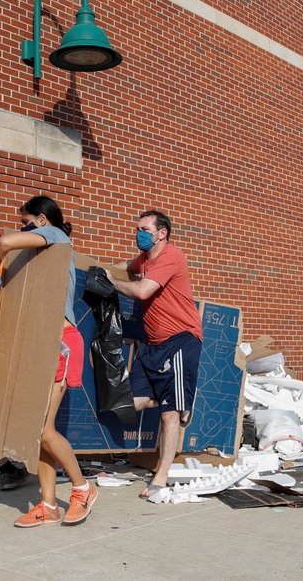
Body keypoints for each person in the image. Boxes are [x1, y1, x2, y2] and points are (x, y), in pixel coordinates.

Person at [0, 195, 98, 527]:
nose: (22, 226)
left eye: (25, 220)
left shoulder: (56, 236)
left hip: (60, 343)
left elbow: (3, 242)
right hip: (40, 344)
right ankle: (48, 505)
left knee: (42, 429)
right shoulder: (39, 262)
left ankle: (83, 489)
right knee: (37, 433)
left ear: (39, 220)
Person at [108, 210, 203, 499]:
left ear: (162, 233)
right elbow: (128, 264)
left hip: (179, 341)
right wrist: (101, 269)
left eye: (145, 228)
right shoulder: (146, 259)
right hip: (152, 346)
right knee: (126, 403)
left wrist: (110, 282)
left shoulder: (172, 256)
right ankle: (178, 398)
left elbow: (142, 291)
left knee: (168, 417)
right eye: (137, 228)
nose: (139, 233)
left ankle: (160, 477)